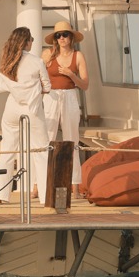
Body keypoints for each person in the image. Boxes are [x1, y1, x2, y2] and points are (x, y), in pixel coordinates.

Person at [0, 26, 51, 204]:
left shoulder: (7, 60)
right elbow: (47, 87)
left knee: (7, 150)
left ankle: (0, 196)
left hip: (12, 109)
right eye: (32, 40)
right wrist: (33, 90)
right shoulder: (37, 62)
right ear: (26, 41)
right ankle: (45, 197)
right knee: (41, 151)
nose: (32, 43)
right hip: (33, 110)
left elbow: (2, 82)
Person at [41, 20, 89, 196]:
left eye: (65, 34)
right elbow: (37, 77)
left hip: (70, 96)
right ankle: (40, 185)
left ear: (71, 37)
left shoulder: (78, 56)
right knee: (47, 139)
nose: (61, 38)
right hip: (51, 96)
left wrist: (71, 75)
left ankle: (75, 186)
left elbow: (85, 85)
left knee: (72, 141)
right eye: (58, 35)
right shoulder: (48, 55)